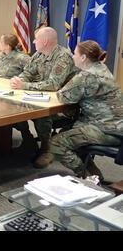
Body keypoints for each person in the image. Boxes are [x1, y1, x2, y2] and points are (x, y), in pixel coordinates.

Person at [35, 40, 123, 176]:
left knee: (55, 143)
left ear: (83, 57)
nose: (72, 57)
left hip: (105, 130)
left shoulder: (86, 75)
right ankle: (92, 169)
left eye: (75, 54)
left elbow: (63, 96)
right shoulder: (102, 68)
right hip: (116, 127)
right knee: (68, 130)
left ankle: (86, 176)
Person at [10, 27, 75, 161]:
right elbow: (28, 73)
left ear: (45, 41)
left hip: (63, 105)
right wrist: (18, 80)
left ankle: (46, 148)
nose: (33, 42)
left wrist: (25, 85)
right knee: (14, 107)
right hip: (41, 97)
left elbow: (53, 84)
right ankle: (28, 139)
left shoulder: (63, 57)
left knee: (41, 114)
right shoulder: (38, 54)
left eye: (36, 39)